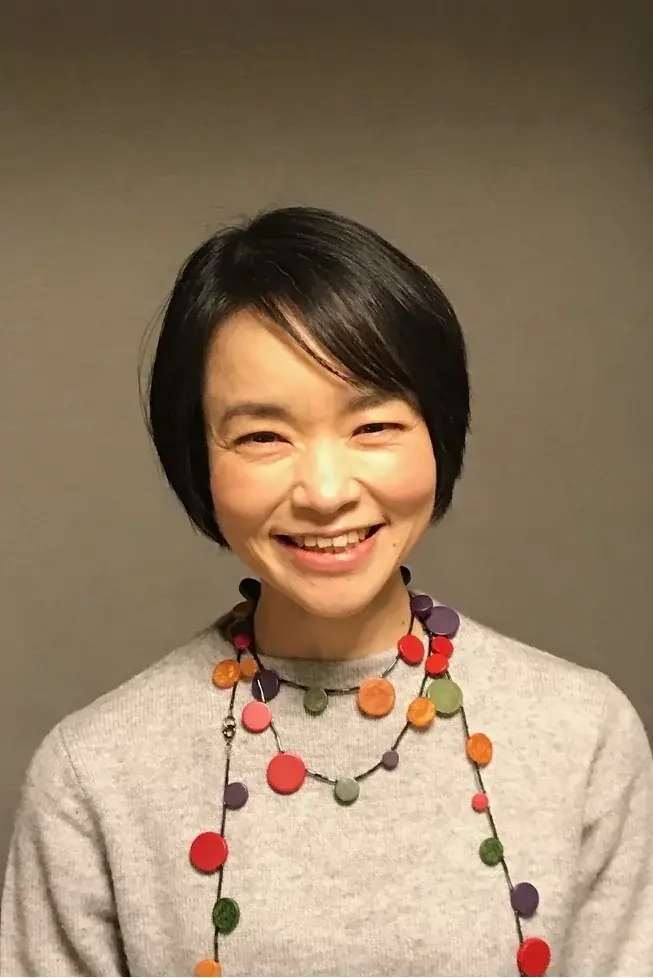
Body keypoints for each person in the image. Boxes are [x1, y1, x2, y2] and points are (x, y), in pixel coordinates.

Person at [1, 206, 652, 978]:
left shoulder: (583, 734)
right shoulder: (95, 773)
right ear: (197, 461)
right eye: (262, 436)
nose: (324, 491)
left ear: (439, 433)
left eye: (372, 426)